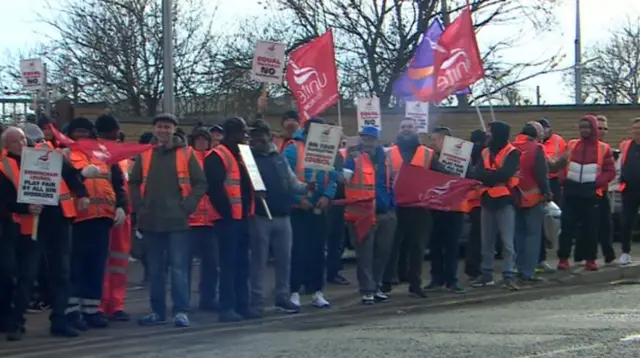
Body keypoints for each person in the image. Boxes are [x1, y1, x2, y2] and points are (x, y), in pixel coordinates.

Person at [0, 126, 90, 340]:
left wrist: (82, 193)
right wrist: (26, 208)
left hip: (59, 220)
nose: (20, 144)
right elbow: (5, 200)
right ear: (6, 146)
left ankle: (59, 321)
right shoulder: (4, 167)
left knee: (61, 273)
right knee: (27, 276)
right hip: (30, 225)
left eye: (22, 139)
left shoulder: (47, 155)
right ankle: (16, 323)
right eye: (13, 142)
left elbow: (71, 174)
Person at [130, 113, 207, 328]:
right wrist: (139, 207)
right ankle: (157, 312)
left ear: (174, 129)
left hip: (177, 222)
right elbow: (134, 182)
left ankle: (181, 311)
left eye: (167, 126)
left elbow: (200, 183)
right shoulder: (145, 154)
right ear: (155, 129)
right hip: (151, 221)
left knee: (179, 269)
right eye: (159, 126)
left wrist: (187, 206)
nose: (163, 130)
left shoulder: (186, 153)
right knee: (155, 271)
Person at [64, 117, 128, 330]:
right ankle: (72, 312)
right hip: (76, 218)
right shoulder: (65, 154)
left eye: (85, 132)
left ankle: (92, 310)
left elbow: (118, 183)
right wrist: (80, 175)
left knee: (96, 266)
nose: (81, 137)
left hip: (102, 218)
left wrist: (122, 207)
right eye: (77, 132)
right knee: (76, 267)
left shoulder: (104, 156)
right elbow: (63, 179)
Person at [381, 118, 448, 297]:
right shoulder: (388, 153)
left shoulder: (427, 153)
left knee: (417, 248)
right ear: (398, 130)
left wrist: (464, 178)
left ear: (417, 131)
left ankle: (415, 284)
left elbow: (442, 173)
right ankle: (386, 282)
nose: (406, 129)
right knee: (391, 246)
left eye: (410, 127)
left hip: (419, 207)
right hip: (394, 206)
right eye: (403, 126)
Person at [248, 119, 308, 314]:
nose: (257, 139)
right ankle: (255, 301)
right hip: (259, 216)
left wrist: (307, 188)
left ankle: (282, 296)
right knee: (259, 261)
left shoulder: (279, 158)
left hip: (283, 215)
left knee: (284, 259)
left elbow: (292, 183)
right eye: (254, 136)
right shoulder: (248, 160)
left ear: (269, 137)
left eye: (261, 135)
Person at [204, 117, 256, 322]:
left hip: (243, 217)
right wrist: (227, 213)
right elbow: (215, 189)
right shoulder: (217, 156)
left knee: (243, 264)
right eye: (243, 132)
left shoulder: (242, 155)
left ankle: (243, 305)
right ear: (232, 133)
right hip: (228, 220)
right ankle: (227, 307)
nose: (245, 136)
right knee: (228, 265)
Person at [283, 117, 337, 308]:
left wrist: (327, 196)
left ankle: (317, 291)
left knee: (317, 252)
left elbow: (333, 177)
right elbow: (285, 180)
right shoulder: (292, 150)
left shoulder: (328, 149)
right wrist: (300, 200)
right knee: (298, 251)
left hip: (319, 210)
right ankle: (294, 291)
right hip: (299, 210)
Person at [343, 126, 396, 304]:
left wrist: (391, 205)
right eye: (364, 138)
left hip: (385, 212)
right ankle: (367, 290)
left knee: (382, 252)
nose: (367, 142)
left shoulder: (386, 158)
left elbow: (391, 181)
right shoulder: (353, 158)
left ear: (377, 141)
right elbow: (344, 179)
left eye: (370, 139)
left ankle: (377, 285)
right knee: (365, 254)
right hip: (362, 215)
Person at [556, 115, 615, 271]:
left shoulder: (603, 148)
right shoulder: (572, 144)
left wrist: (596, 184)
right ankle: (563, 258)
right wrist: (563, 179)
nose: (584, 130)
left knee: (591, 228)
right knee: (566, 227)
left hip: (591, 193)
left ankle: (590, 259)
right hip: (571, 191)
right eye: (581, 127)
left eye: (587, 127)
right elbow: (561, 164)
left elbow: (610, 171)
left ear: (593, 128)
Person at [471, 121, 521, 291]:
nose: (487, 135)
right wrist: (493, 176)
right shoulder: (485, 151)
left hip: (505, 199)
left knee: (507, 242)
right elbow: (476, 173)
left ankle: (508, 275)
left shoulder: (513, 152)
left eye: (490, 132)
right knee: (487, 241)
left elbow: (506, 173)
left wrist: (488, 176)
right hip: (487, 199)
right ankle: (487, 274)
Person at [95, 115, 133, 322]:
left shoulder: (123, 157)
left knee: (118, 261)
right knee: (104, 260)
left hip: (121, 214)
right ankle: (101, 304)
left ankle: (115, 304)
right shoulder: (97, 154)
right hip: (103, 213)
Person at [425, 126, 465, 293]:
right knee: (435, 245)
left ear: (445, 140)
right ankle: (436, 279)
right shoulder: (430, 158)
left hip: (455, 206)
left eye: (436, 140)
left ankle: (452, 279)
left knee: (452, 245)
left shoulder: (462, 158)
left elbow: (470, 175)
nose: (433, 144)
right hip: (436, 206)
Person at [511, 123, 551, 282]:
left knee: (518, 234)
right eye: (540, 133)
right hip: (533, 198)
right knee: (533, 235)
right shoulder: (536, 148)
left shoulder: (511, 146)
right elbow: (541, 174)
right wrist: (547, 192)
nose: (542, 136)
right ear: (535, 134)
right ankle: (528, 271)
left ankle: (518, 267)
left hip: (514, 197)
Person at [188, 126, 219, 311]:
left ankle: (208, 299)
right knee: (185, 266)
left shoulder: (213, 159)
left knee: (211, 265)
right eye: (198, 139)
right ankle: (184, 300)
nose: (201, 142)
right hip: (190, 221)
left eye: (204, 139)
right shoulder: (186, 158)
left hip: (211, 221)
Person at [537, 118, 566, 272]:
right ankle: (543, 252)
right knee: (543, 220)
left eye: (545, 128)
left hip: (554, 181)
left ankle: (553, 243)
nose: (543, 131)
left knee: (555, 217)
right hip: (542, 181)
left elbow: (562, 162)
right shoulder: (537, 146)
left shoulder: (558, 141)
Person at [616, 117, 640, 266]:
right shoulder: (626, 145)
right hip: (629, 189)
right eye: (635, 129)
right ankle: (625, 252)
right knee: (627, 222)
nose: (637, 132)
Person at [464, 129, 487, 281]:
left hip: (470, 201)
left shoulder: (466, 154)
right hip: (483, 199)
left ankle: (472, 267)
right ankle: (476, 268)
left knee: (475, 237)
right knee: (482, 237)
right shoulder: (485, 154)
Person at [326, 136, 349, 286]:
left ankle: (333, 272)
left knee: (337, 241)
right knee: (326, 241)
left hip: (339, 203)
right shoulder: (325, 154)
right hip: (327, 202)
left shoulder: (339, 155)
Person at [594, 115, 616, 265]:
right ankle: (588, 256)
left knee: (606, 223)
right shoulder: (585, 146)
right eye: (599, 128)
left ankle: (609, 255)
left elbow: (610, 170)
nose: (602, 131)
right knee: (589, 225)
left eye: (604, 128)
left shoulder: (605, 147)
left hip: (602, 190)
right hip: (587, 191)